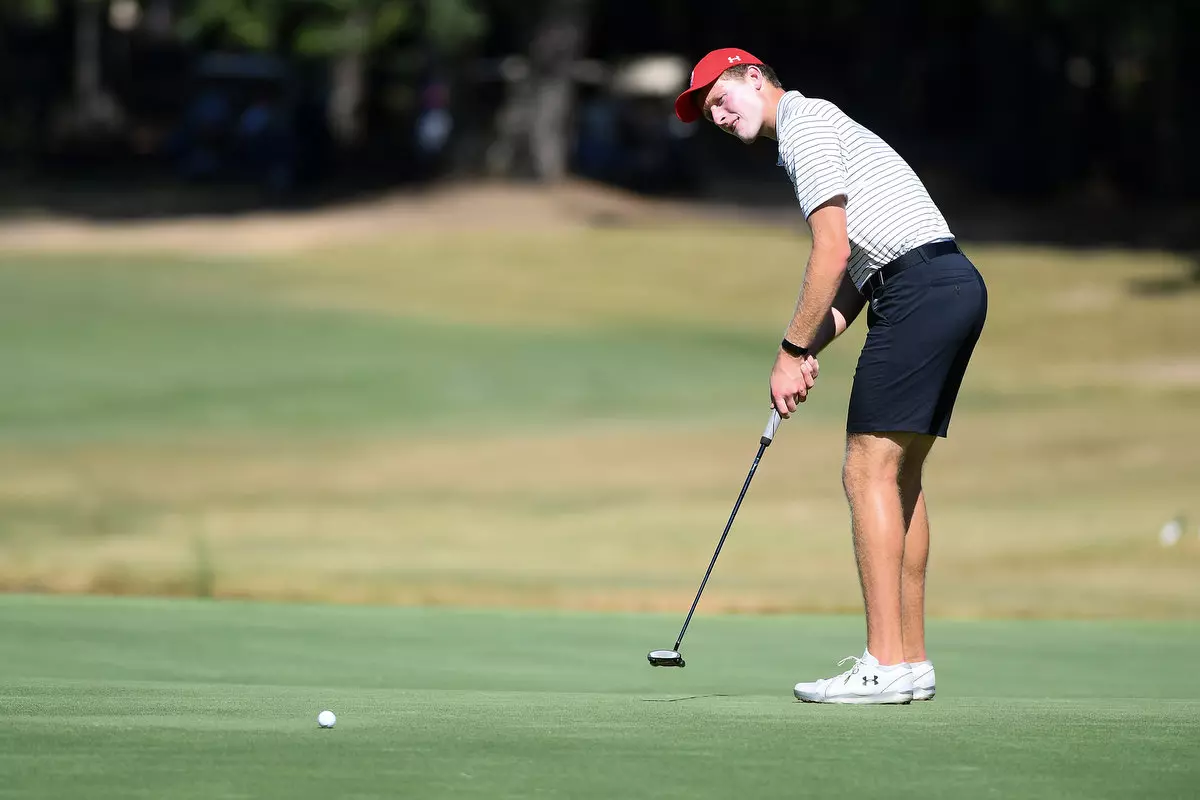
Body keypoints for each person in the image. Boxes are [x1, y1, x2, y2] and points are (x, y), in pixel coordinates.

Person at [674, 48, 988, 704]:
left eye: (723, 97)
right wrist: (813, 342)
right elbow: (857, 275)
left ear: (755, 77)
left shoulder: (804, 126)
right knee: (900, 475)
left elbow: (832, 249)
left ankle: (880, 664)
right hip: (946, 283)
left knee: (864, 471)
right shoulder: (820, 124)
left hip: (920, 290)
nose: (721, 115)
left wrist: (790, 350)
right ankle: (910, 661)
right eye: (710, 113)